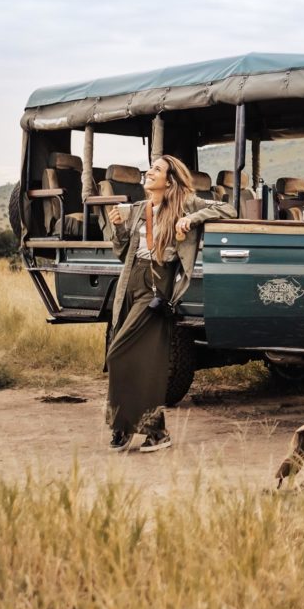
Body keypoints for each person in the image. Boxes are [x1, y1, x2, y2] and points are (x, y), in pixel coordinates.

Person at [103, 154, 236, 452]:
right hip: (130, 282)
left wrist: (191, 219)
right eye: (150, 169)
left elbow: (228, 209)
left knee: (118, 353)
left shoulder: (186, 203)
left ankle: (126, 425)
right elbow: (122, 253)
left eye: (157, 170)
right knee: (142, 363)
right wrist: (119, 229)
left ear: (170, 180)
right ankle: (141, 430)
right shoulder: (139, 208)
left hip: (156, 288)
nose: (149, 173)